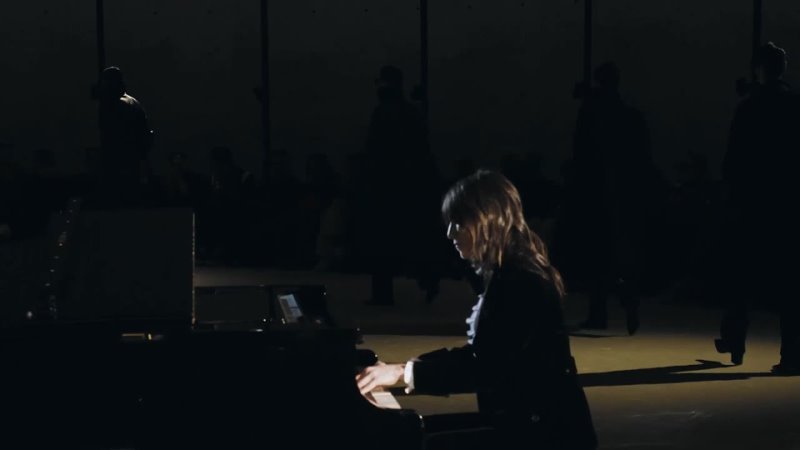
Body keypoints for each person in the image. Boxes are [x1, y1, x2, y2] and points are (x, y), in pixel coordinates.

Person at [356, 170, 598, 449]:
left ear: (486, 220)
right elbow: (487, 353)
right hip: (528, 423)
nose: (450, 233)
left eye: (458, 223)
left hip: (544, 435)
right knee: (417, 433)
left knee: (415, 440)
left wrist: (404, 372)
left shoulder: (520, 282)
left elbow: (487, 368)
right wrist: (405, 369)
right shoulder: (509, 273)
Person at [715, 42, 800, 374]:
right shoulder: (794, 106)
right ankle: (792, 354)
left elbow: (734, 162)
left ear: (758, 69)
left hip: (752, 205)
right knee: (791, 284)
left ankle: (735, 341)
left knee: (740, 274)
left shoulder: (749, 109)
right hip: (788, 204)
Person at [94, 66, 154, 208]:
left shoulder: (115, 104)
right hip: (132, 161)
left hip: (120, 162)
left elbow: (112, 135)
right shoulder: (133, 103)